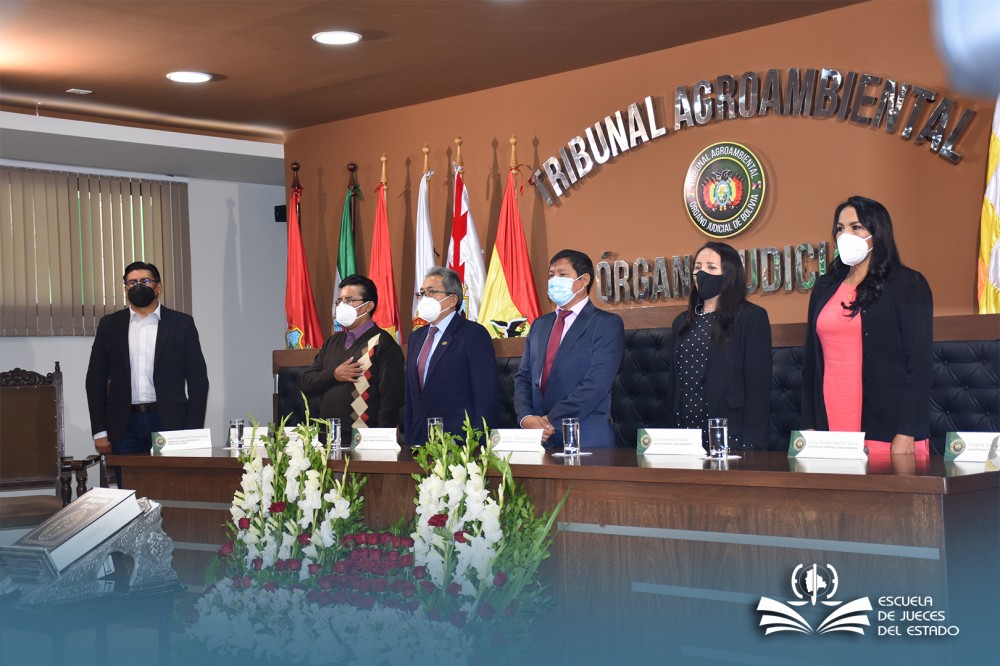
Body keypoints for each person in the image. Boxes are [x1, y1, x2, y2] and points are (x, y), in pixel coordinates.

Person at [800, 195, 933, 456]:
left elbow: (919, 365)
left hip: (888, 429)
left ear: (878, 233)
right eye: (840, 228)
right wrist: (809, 424)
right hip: (829, 424)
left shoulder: (907, 284)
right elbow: (810, 364)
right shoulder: (825, 286)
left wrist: (906, 433)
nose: (845, 235)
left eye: (856, 227)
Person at [86, 261, 209, 463]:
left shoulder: (182, 324)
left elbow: (198, 381)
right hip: (124, 425)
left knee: (170, 481)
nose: (138, 286)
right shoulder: (110, 325)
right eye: (132, 283)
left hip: (170, 423)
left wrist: (193, 431)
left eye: (145, 281)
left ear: (158, 287)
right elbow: (95, 380)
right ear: (125, 289)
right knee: (129, 482)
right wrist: (99, 431)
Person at [514, 249, 625, 448]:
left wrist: (549, 421)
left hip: (586, 438)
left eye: (562, 274)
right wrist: (526, 418)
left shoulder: (606, 324)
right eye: (551, 275)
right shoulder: (539, 325)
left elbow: (597, 383)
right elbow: (523, 377)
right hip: (538, 439)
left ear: (584, 280)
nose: (554, 280)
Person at [667, 242, 772, 451]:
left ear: (730, 273)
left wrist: (752, 443)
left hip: (731, 430)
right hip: (685, 429)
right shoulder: (682, 321)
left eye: (711, 267)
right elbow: (673, 382)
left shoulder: (751, 317)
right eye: (698, 267)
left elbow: (758, 387)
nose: (702, 273)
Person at [405, 267, 498, 445]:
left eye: (432, 292)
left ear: (452, 300)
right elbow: (411, 397)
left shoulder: (473, 334)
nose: (425, 298)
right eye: (422, 293)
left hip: (459, 440)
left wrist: (477, 444)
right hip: (420, 440)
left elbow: (485, 395)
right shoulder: (416, 337)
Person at [300, 274, 404, 430]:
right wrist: (334, 375)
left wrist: (382, 439)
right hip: (327, 435)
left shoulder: (383, 343)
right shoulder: (332, 342)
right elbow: (306, 383)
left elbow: (391, 400)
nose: (342, 306)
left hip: (363, 437)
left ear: (369, 306)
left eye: (349, 300)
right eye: (340, 301)